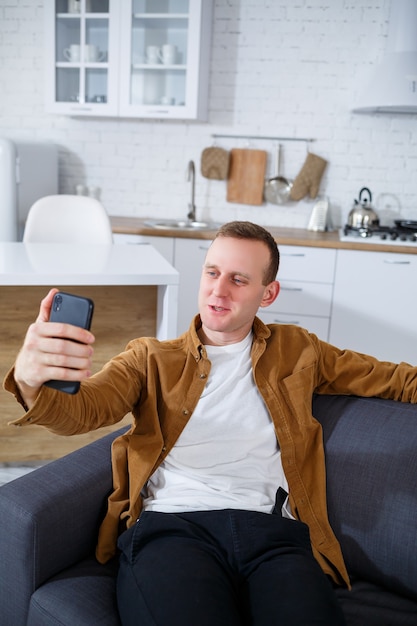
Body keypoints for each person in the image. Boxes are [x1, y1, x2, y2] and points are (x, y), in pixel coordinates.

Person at [4, 221, 417, 626]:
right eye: (212, 272)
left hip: (274, 535)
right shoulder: (149, 358)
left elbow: (394, 379)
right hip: (173, 528)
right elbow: (84, 410)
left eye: (239, 279)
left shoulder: (298, 349)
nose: (219, 290)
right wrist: (30, 381)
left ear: (267, 293)